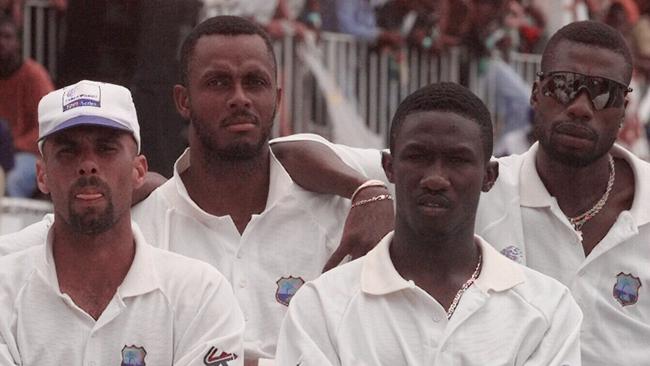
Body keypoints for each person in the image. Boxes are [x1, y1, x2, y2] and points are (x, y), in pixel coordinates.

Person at [0, 16, 391, 364]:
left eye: (255, 82)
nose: (239, 98)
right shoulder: (142, 225)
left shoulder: (333, 194)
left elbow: (428, 162)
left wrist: (371, 189)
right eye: (218, 82)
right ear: (182, 101)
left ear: (278, 97)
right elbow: (39, 242)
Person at [271, 20, 650, 366]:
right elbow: (290, 150)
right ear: (536, 93)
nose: (581, 107)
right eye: (564, 86)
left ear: (624, 109)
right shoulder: (472, 181)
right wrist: (367, 190)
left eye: (604, 93)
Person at [275, 82, 582, 365]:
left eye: (458, 160)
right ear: (389, 167)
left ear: (489, 177)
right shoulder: (323, 305)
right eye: (418, 156)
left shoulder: (547, 309)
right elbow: (287, 150)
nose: (435, 178)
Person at [0, 80, 244, 365]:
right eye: (68, 151)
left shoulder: (199, 294)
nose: (88, 164)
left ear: (139, 170)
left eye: (106, 149)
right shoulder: (6, 289)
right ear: (42, 175)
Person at [0, 15, 54, 197]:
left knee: (13, 181)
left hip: (30, 153)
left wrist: (13, 145)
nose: (1, 42)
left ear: (17, 42)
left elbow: (50, 123)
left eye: (7, 37)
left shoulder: (34, 75)